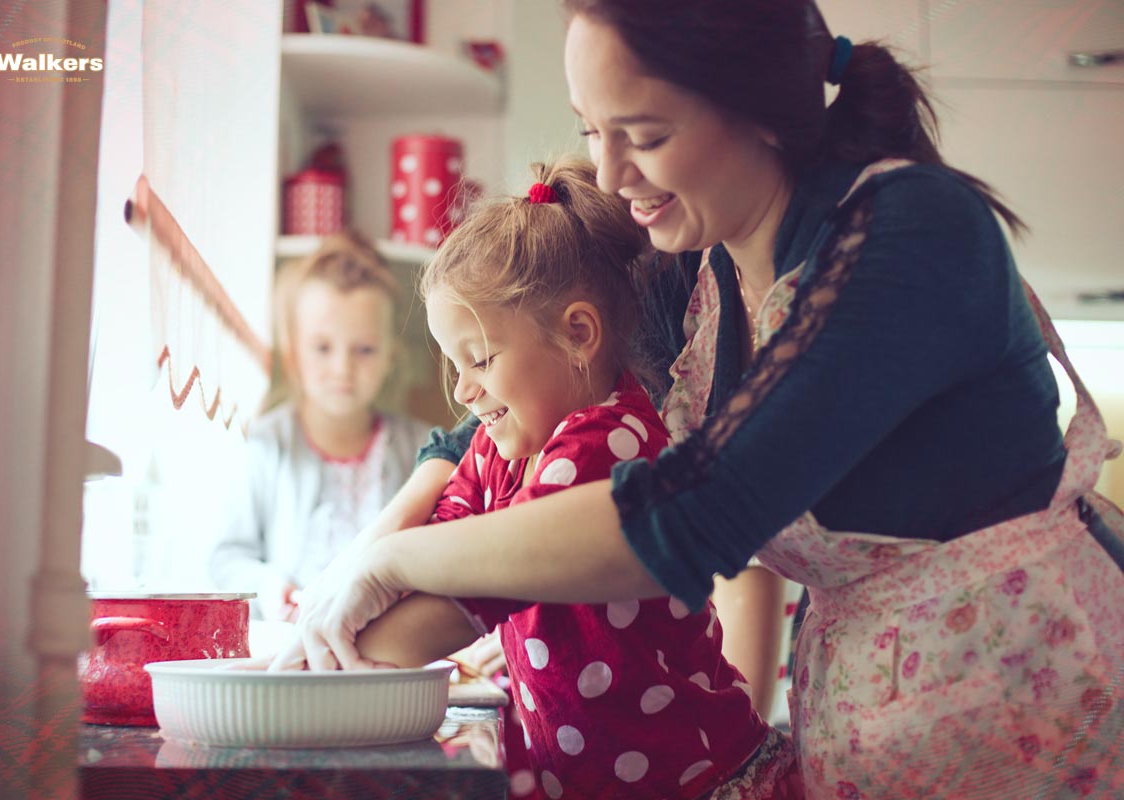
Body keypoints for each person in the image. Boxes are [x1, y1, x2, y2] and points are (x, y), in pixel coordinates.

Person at [278, 2, 1124, 796]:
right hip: (873, 728)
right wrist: (369, 552)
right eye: (591, 131)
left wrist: (393, 563)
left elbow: (690, 515)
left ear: (757, 110)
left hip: (1040, 715)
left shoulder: (911, 232)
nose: (610, 172)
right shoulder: (694, 266)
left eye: (641, 134)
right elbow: (491, 415)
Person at [289, 157, 801, 799]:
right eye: (454, 365)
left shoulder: (606, 443)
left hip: (701, 785)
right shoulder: (504, 444)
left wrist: (311, 663)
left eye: (480, 360)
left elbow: (473, 588)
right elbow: (447, 526)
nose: (464, 390)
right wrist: (339, 613)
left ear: (578, 334)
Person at [208, 231, 431, 621]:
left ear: (390, 356)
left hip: (389, 650)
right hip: (290, 647)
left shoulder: (423, 450)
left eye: (364, 350)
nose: (342, 369)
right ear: (293, 354)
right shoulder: (264, 444)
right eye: (322, 348)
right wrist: (272, 590)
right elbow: (227, 556)